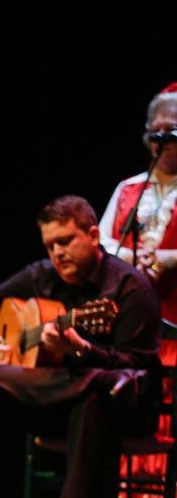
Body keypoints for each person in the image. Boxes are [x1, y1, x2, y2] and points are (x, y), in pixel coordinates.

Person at [0, 195, 161, 498]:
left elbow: (137, 368)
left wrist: (83, 351)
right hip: (57, 399)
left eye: (66, 241)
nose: (58, 253)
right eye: (50, 245)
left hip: (124, 409)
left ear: (92, 234)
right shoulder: (40, 275)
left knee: (96, 400)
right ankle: (88, 385)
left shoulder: (130, 289)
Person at [99, 82, 177, 322]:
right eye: (156, 131)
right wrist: (131, 257)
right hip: (130, 309)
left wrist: (168, 258)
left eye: (171, 130)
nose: (162, 139)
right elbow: (100, 242)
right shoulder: (128, 189)